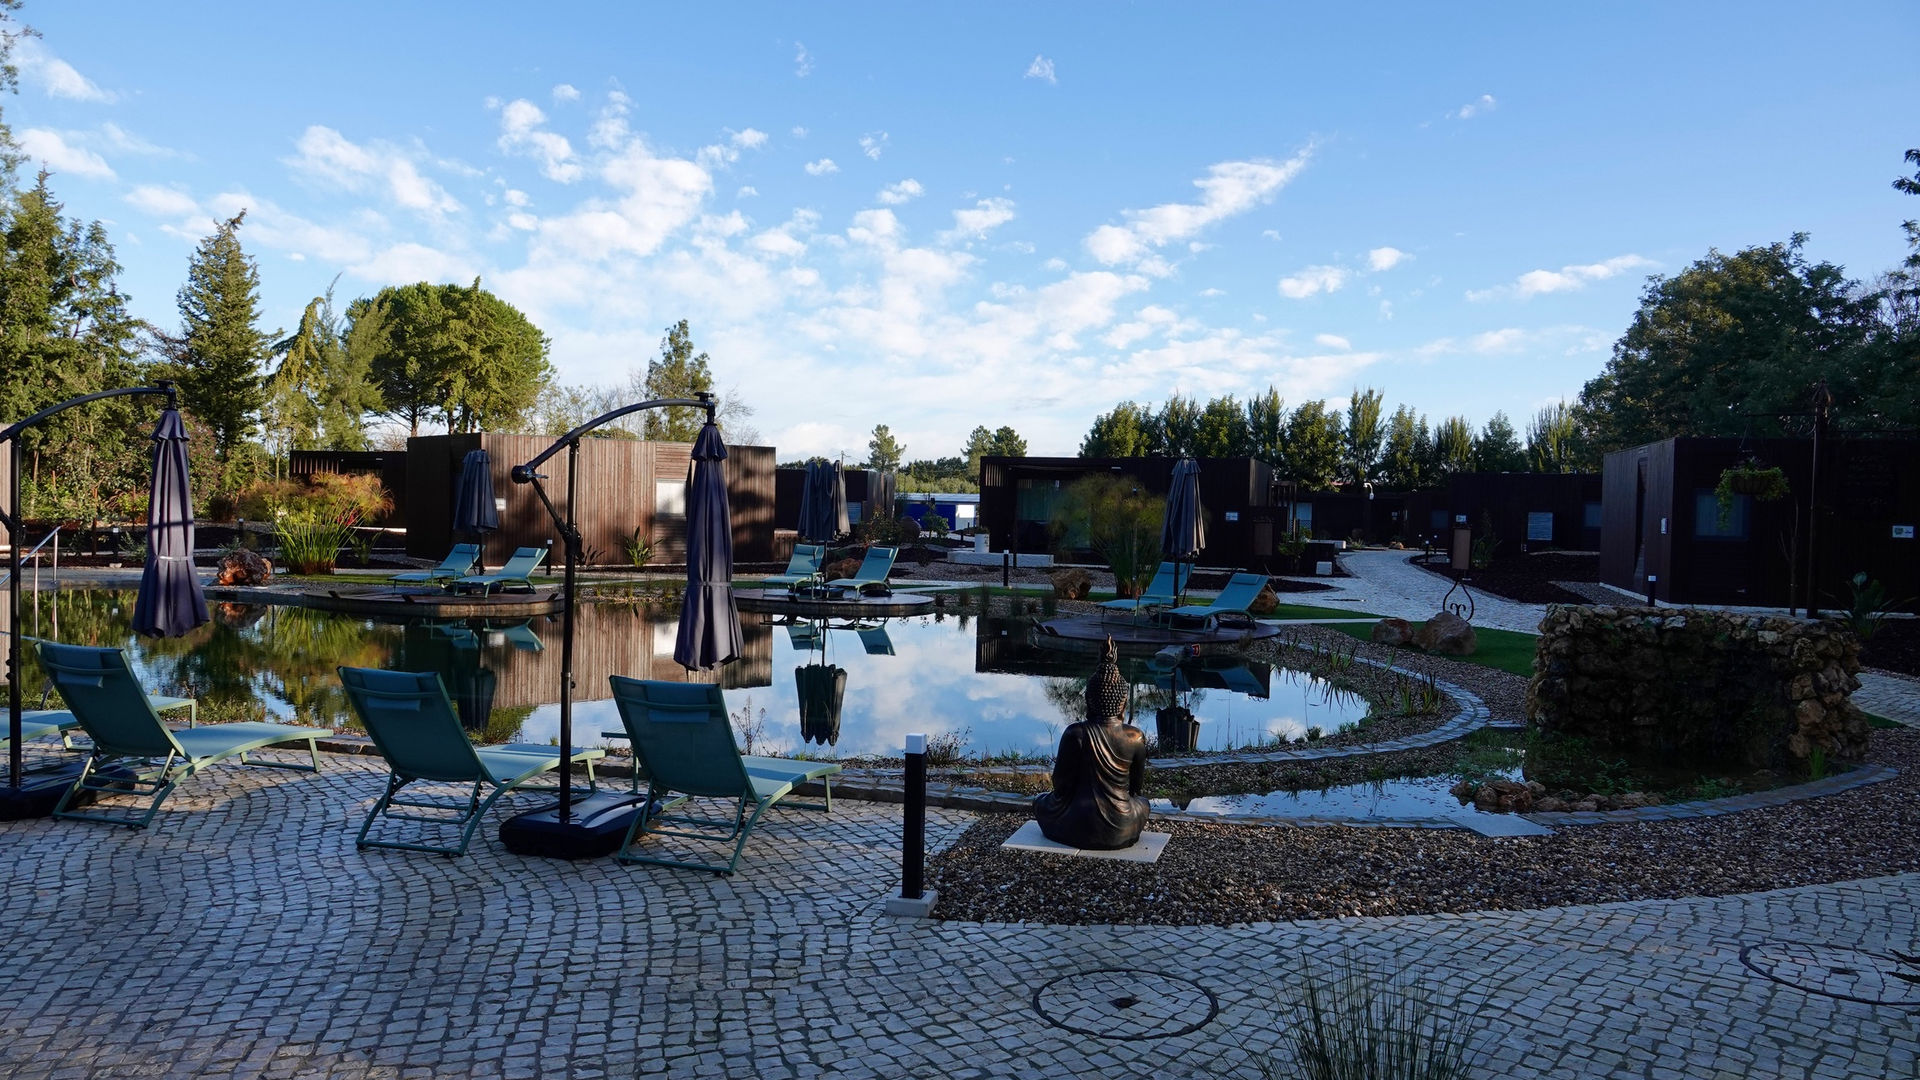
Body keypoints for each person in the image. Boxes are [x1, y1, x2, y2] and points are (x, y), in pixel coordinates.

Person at [1033, 637, 1151, 850]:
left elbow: (1060, 784)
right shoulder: (1135, 737)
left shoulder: (1075, 733)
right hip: (1122, 826)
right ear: (1123, 703)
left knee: (1040, 802)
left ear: (1088, 700)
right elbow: (1136, 789)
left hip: (1075, 821)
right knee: (1144, 805)